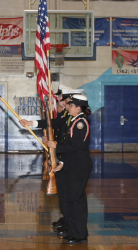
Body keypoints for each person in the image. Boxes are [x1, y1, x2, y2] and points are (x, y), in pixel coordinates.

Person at [19, 87, 85, 237]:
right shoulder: (69, 117)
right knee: (65, 197)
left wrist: (56, 146)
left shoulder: (77, 120)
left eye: (63, 100)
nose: (62, 103)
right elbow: (54, 124)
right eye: (63, 100)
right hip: (64, 159)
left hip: (70, 161)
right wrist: (31, 123)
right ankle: (68, 224)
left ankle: (73, 228)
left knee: (72, 199)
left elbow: (73, 143)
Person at [47, 94, 93, 244]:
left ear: (78, 108)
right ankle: (73, 231)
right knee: (71, 199)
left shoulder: (81, 123)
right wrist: (63, 163)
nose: (68, 107)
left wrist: (56, 146)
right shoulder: (73, 121)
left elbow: (76, 146)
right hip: (72, 164)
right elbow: (71, 150)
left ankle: (80, 234)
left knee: (77, 201)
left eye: (71, 105)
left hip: (79, 167)